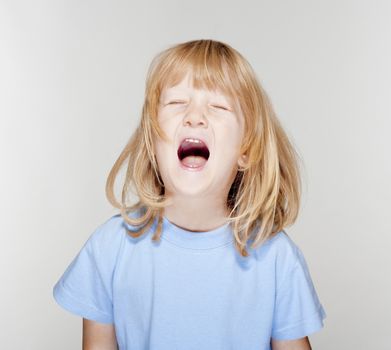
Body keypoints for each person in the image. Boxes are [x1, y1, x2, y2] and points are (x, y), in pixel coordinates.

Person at [53, 39, 326, 350]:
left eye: (219, 106)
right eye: (176, 103)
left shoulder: (277, 260)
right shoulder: (109, 249)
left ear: (246, 151)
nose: (194, 117)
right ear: (152, 141)